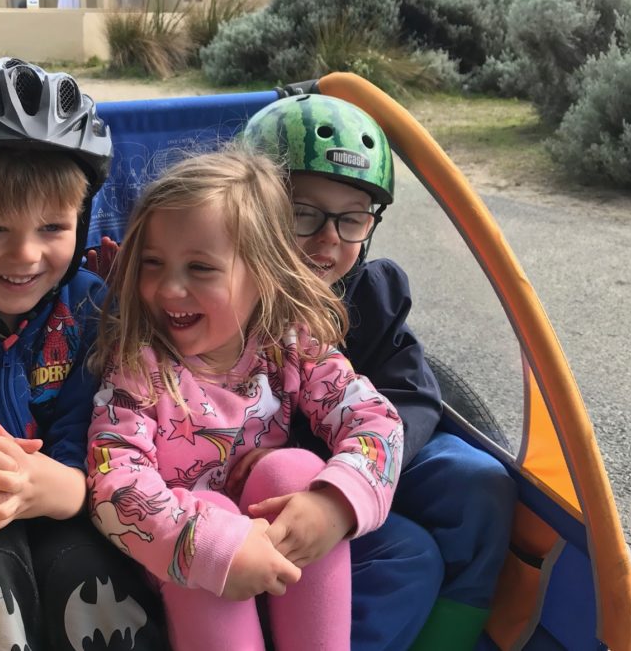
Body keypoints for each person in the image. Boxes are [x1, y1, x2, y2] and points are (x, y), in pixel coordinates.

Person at [0, 58, 167, 651]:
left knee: (93, 583)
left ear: (82, 219)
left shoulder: (91, 307)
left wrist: (63, 482)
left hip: (66, 494)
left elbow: (99, 420)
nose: (25, 255)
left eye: (52, 227)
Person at [86, 148, 404, 651]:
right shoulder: (139, 366)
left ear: (262, 274)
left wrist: (335, 505)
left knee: (296, 471)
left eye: (200, 268)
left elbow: (376, 422)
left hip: (279, 550)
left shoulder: (290, 345)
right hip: (181, 559)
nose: (169, 287)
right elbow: (114, 482)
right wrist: (213, 548)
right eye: (152, 263)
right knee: (209, 508)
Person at [239, 94, 518, 650]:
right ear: (248, 207)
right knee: (409, 556)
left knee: (480, 483)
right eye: (302, 213)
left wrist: (351, 473)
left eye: (353, 219)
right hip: (261, 479)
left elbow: (412, 396)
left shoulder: (373, 291)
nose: (329, 239)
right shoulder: (224, 292)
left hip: (362, 452)